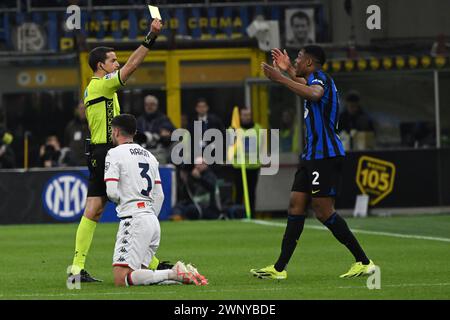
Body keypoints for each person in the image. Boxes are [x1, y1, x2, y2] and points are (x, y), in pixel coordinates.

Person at [251, 46, 376, 280]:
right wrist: (287, 69)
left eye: (298, 58)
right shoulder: (312, 78)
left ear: (309, 62)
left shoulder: (321, 79)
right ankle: (279, 268)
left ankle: (364, 262)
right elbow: (304, 84)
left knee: (323, 211)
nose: (295, 60)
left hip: (325, 156)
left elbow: (314, 93)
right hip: (311, 156)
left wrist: (281, 78)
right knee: (296, 205)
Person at [68, 18, 168, 283]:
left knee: (102, 206)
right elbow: (133, 66)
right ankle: (77, 268)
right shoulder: (101, 85)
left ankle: (79, 268)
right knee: (102, 207)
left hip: (106, 151)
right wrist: (150, 37)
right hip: (104, 152)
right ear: (101, 65)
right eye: (113, 61)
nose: (118, 63)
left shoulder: (99, 87)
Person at [104, 114, 207, 286]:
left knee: (121, 279)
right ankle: (180, 277)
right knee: (140, 277)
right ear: (135, 132)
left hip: (134, 218)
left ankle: (174, 272)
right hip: (151, 220)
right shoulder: (149, 156)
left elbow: (112, 192)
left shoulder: (114, 154)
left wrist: (127, 204)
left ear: (115, 131)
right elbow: (160, 196)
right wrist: (148, 214)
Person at [230, 108, 263, 217]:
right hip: (239, 166)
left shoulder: (258, 128)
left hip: (253, 166)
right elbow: (229, 148)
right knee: (239, 192)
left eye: (248, 115)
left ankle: (251, 214)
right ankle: (237, 214)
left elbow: (260, 146)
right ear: (240, 116)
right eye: (244, 115)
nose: (247, 117)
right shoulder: (233, 129)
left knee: (251, 192)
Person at [64, 101, 90, 166]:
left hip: (88, 163)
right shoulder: (71, 126)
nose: (83, 111)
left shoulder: (92, 125)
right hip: (74, 164)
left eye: (85, 109)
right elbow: (66, 143)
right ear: (77, 110)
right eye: (81, 108)